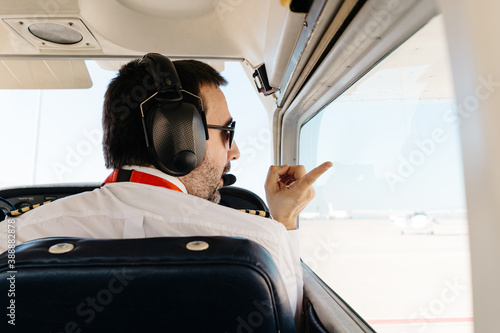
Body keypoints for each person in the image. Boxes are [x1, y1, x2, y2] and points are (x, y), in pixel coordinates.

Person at [0, 54, 332, 320]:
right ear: (179, 136)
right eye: (227, 131)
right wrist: (284, 223)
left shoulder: (10, 239)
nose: (235, 151)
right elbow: (291, 324)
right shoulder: (260, 240)